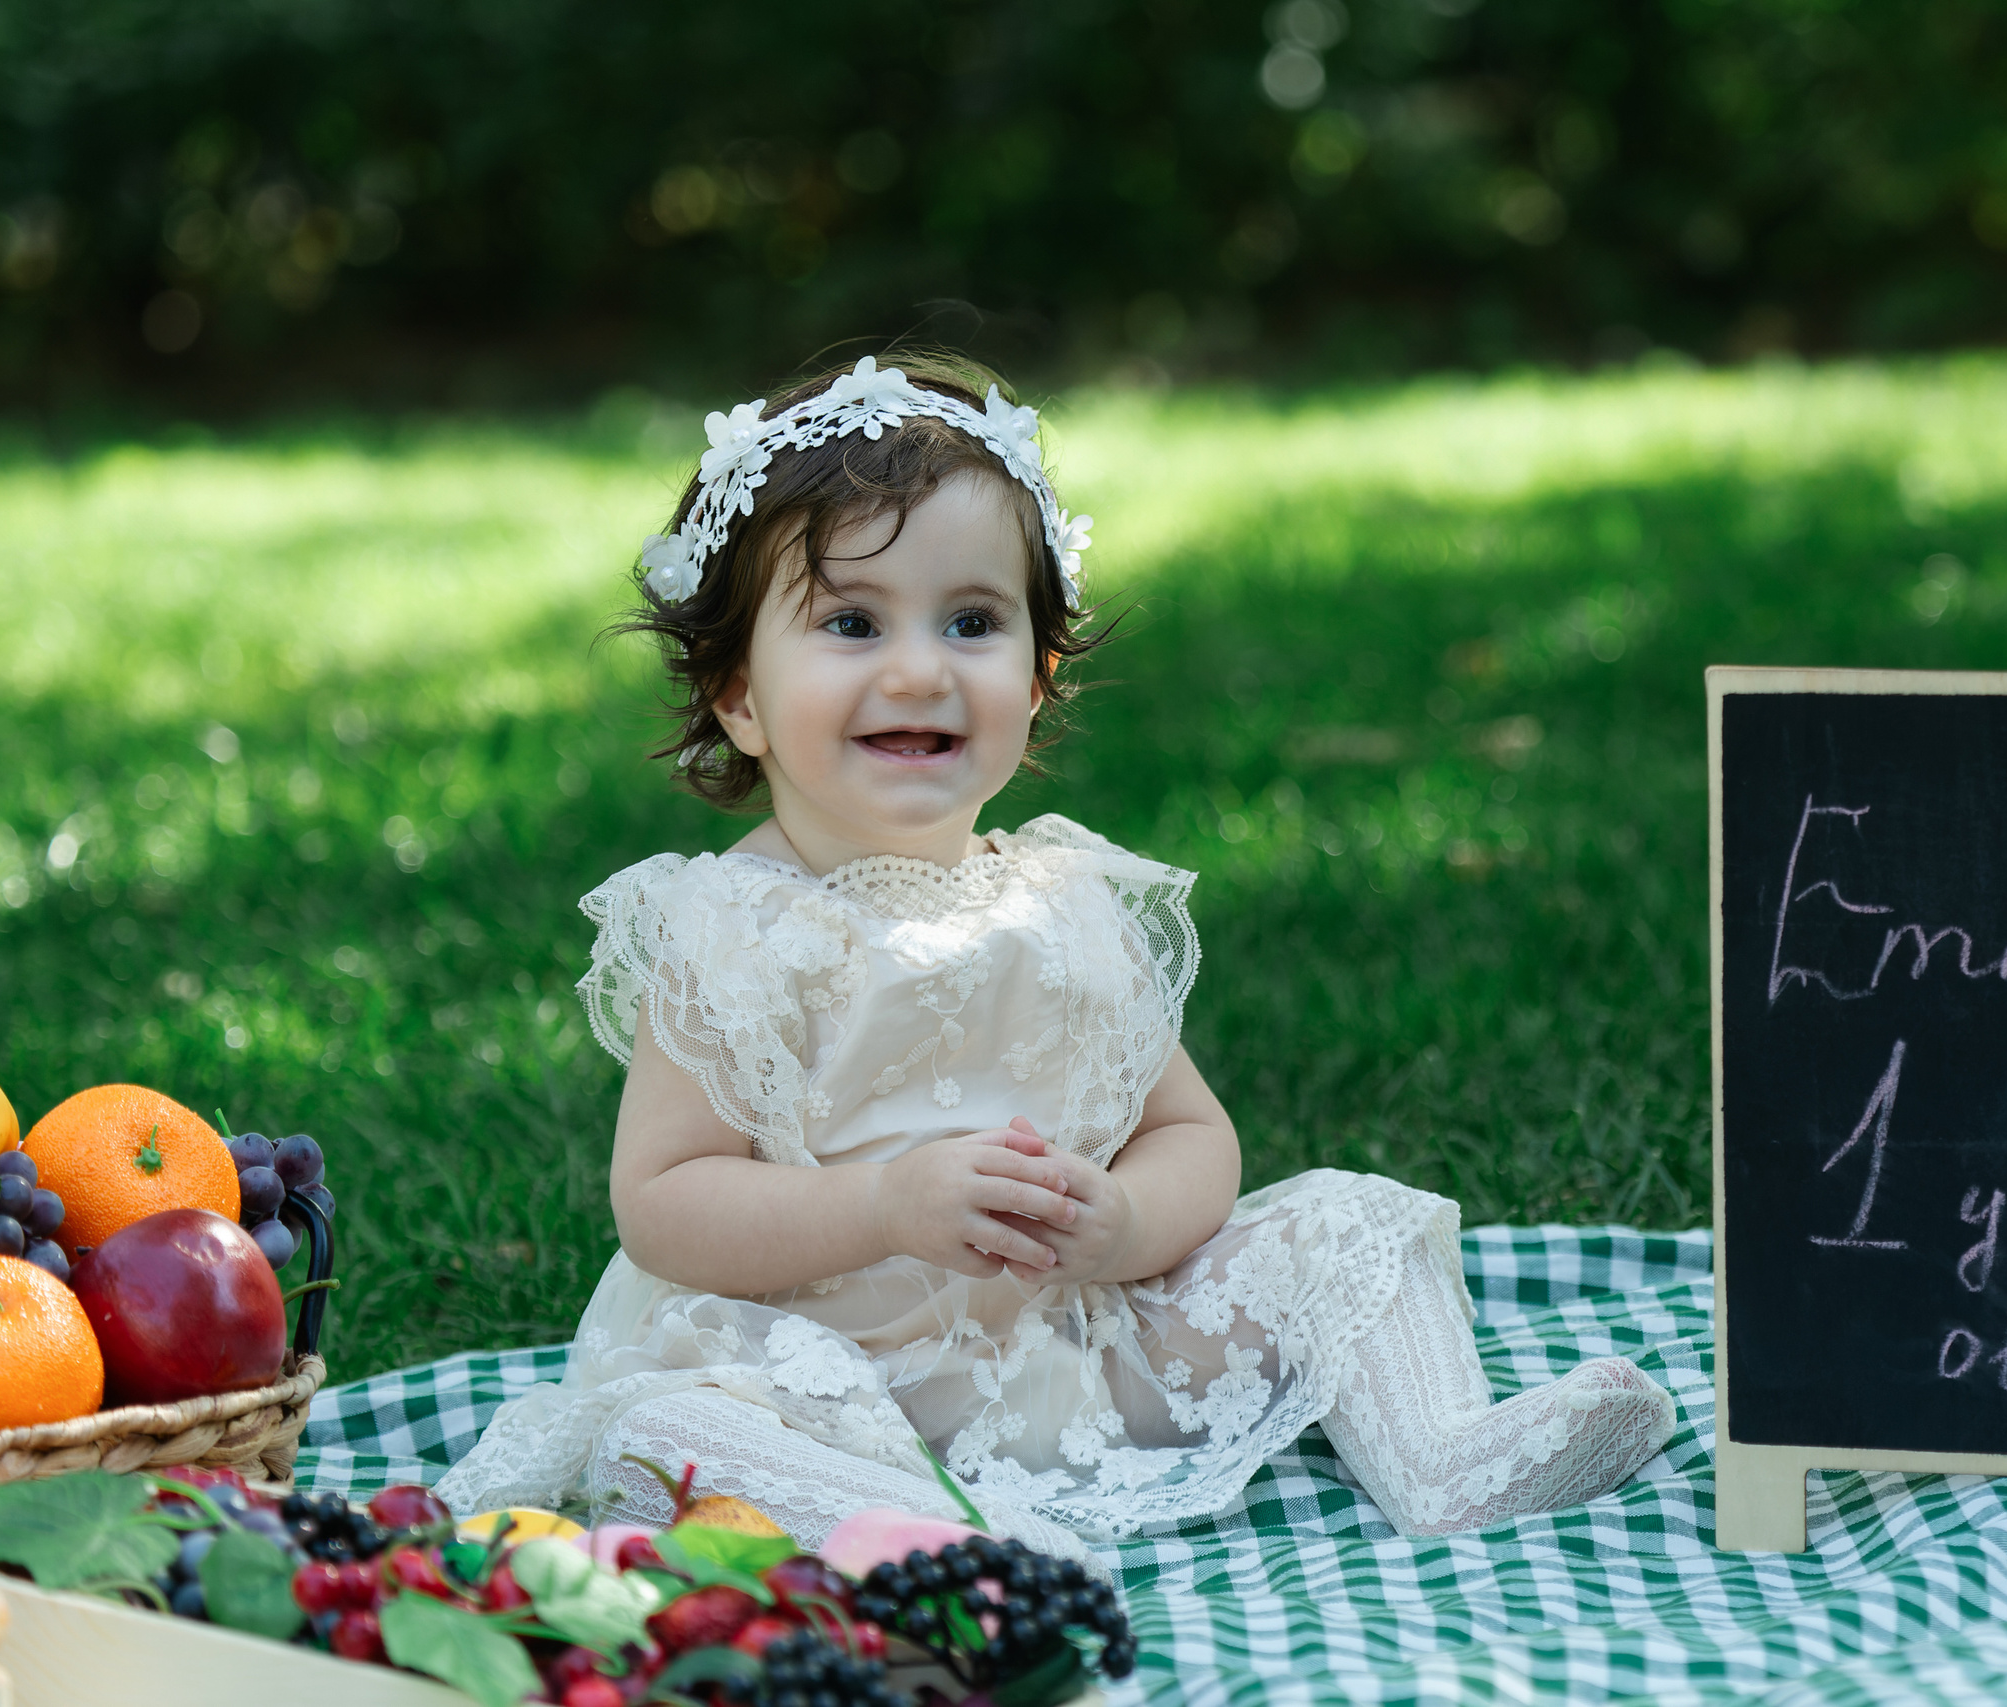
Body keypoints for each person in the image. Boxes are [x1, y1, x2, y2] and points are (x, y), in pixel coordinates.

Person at [435, 351, 1675, 1558]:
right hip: (824, 1377)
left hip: (1074, 1347)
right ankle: (941, 1543)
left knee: (1347, 1223)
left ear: (1035, 682)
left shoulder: (1063, 902)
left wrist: (1126, 1219)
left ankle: (1445, 1455)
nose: (919, 668)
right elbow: (663, 1204)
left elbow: (1194, 1136)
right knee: (668, 1441)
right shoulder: (733, 931)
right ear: (738, 695)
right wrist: (882, 1203)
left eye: (971, 621)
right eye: (853, 623)